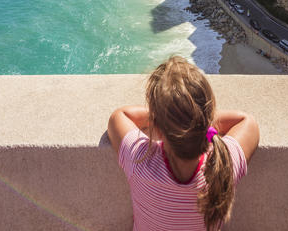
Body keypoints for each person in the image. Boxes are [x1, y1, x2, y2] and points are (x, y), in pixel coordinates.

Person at [108, 56, 259, 231]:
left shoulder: (140, 161)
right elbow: (248, 122)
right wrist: (198, 118)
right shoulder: (224, 165)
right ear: (208, 118)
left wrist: (165, 117)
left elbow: (119, 116)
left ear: (157, 127)